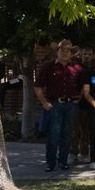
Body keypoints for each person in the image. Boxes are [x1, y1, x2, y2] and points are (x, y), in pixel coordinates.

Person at [33, 39, 84, 173]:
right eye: (62, 50)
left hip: (71, 105)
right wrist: (44, 102)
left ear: (71, 53)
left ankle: (63, 162)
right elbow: (38, 87)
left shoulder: (77, 68)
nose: (65, 53)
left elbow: (84, 86)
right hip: (54, 105)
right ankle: (50, 163)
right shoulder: (48, 67)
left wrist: (80, 97)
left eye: (68, 50)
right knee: (53, 135)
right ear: (57, 51)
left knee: (67, 135)